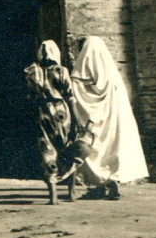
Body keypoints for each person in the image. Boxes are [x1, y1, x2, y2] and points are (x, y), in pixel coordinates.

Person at [70, 35, 148, 200]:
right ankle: (112, 185)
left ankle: (100, 186)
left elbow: (79, 92)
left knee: (95, 149)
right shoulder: (114, 79)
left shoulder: (82, 78)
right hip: (113, 124)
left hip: (95, 123)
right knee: (111, 149)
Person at [24, 39, 84, 198]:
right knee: (68, 147)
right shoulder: (61, 70)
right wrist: (76, 119)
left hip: (42, 112)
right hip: (61, 112)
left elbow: (30, 96)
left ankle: (53, 195)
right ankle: (72, 192)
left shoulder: (33, 71)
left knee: (47, 150)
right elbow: (70, 96)